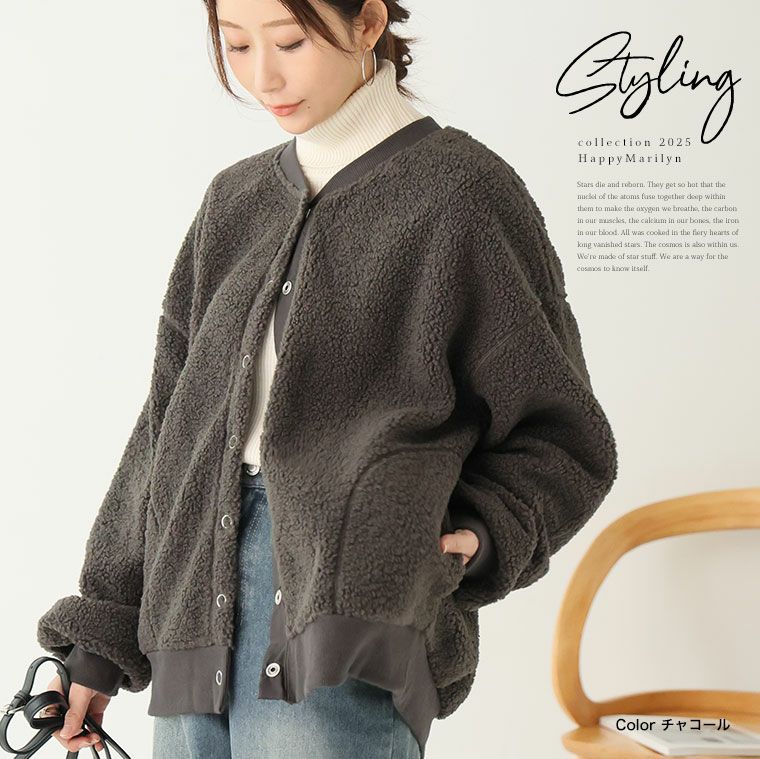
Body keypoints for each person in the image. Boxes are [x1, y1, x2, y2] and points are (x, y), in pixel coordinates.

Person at [38, 0, 619, 757]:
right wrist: (99, 641)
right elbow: (167, 428)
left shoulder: (463, 195)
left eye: (289, 42)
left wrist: (475, 538)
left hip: (351, 609)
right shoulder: (233, 203)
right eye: (236, 46)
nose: (262, 77)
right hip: (190, 612)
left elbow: (563, 437)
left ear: (368, 23)